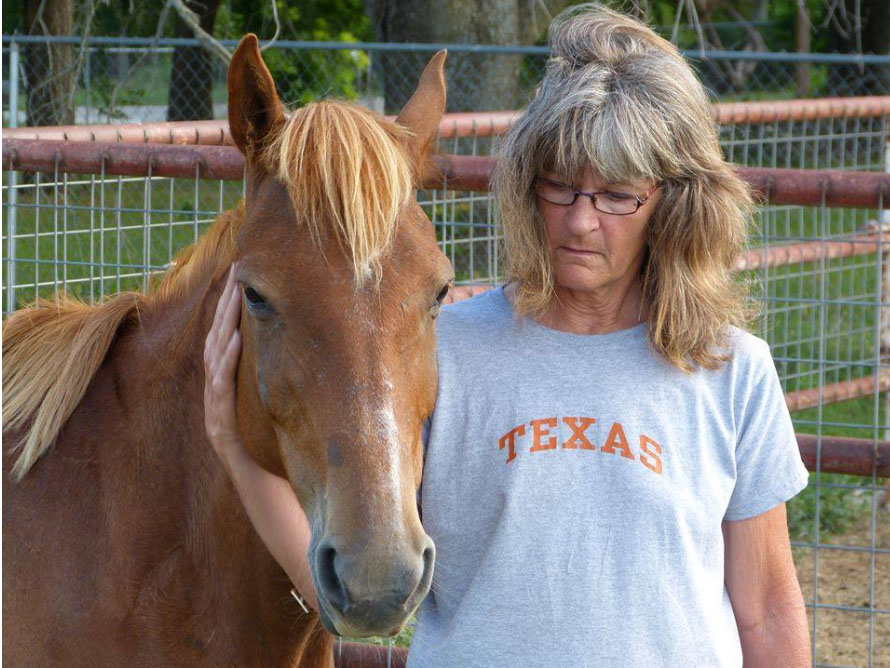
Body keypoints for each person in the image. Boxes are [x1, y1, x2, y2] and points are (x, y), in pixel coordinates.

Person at [204, 5, 811, 666]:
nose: (581, 222)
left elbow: (768, 609)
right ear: (527, 184)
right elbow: (348, 577)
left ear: (674, 201)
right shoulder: (446, 350)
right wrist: (233, 445)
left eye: (616, 195)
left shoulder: (731, 372)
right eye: (560, 188)